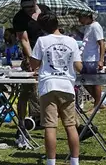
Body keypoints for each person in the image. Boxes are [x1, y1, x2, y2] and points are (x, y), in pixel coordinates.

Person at [30, 12, 82, 165]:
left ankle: (51, 162)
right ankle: (74, 161)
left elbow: (34, 65)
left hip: (48, 86)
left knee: (50, 126)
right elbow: (79, 67)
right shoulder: (71, 41)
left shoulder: (41, 41)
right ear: (57, 24)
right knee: (70, 125)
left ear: (43, 27)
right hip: (66, 85)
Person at [12, 0, 51, 135]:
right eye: (25, 5)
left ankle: (75, 125)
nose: (28, 8)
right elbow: (24, 40)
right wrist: (31, 61)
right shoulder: (19, 18)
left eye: (30, 5)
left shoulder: (46, 10)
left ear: (35, 1)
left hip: (50, 56)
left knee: (54, 90)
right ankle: (21, 124)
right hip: (32, 57)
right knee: (26, 91)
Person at [78, 12, 105, 110]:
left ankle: (97, 104)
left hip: (93, 59)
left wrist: (101, 60)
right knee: (86, 82)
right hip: (86, 58)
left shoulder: (95, 26)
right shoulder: (88, 27)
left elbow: (102, 43)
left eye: (81, 17)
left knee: (95, 81)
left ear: (87, 17)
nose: (79, 20)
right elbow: (87, 40)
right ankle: (99, 101)